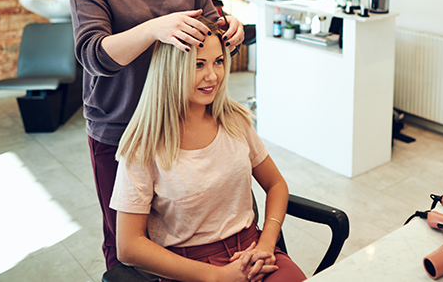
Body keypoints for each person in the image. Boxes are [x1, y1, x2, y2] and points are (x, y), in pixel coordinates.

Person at [70, 0, 244, 269]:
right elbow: (93, 55)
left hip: (182, 125)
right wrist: (154, 29)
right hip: (122, 130)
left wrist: (231, 29)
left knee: (182, 237)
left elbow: (210, 36)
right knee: (127, 246)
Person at [111, 16, 305, 282]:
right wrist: (217, 276)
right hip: (188, 269)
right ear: (171, 69)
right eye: (198, 64)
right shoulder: (143, 148)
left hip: (252, 252)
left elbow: (276, 185)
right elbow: (128, 247)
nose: (212, 76)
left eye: (219, 62)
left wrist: (266, 244)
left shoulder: (234, 120)